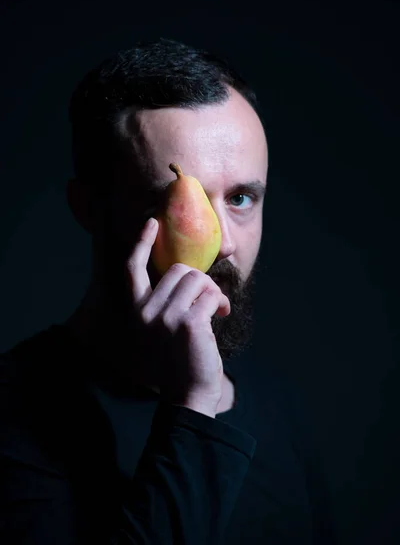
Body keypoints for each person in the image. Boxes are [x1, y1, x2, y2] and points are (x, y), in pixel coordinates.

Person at [0, 38, 337, 544]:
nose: (221, 243)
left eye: (242, 198)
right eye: (181, 202)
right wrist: (192, 405)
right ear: (89, 208)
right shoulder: (11, 416)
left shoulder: (280, 408)